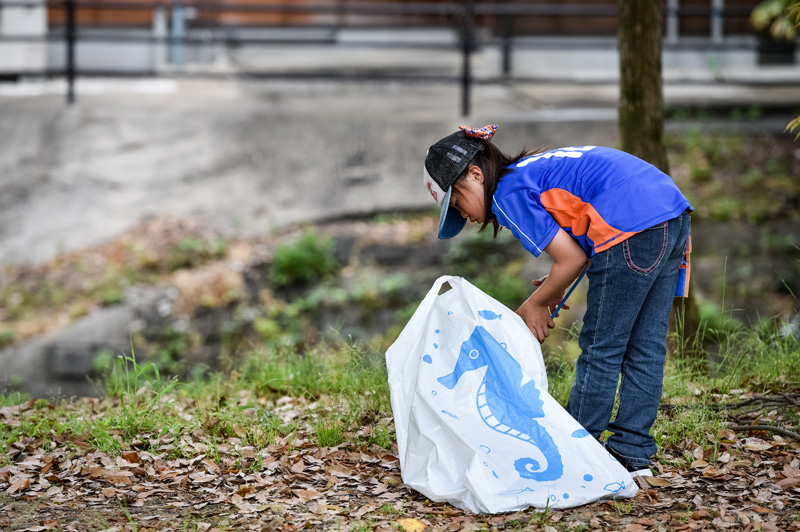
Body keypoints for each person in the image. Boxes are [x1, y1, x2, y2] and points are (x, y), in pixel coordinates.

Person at [422, 124, 692, 478]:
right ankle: (632, 455)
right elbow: (581, 241)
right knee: (647, 346)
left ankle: (577, 455)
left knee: (602, 347)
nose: (466, 217)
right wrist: (553, 287)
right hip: (672, 213)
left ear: (475, 174)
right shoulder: (529, 173)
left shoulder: (506, 193)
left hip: (630, 226)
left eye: (457, 204)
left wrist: (535, 303)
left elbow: (573, 259)